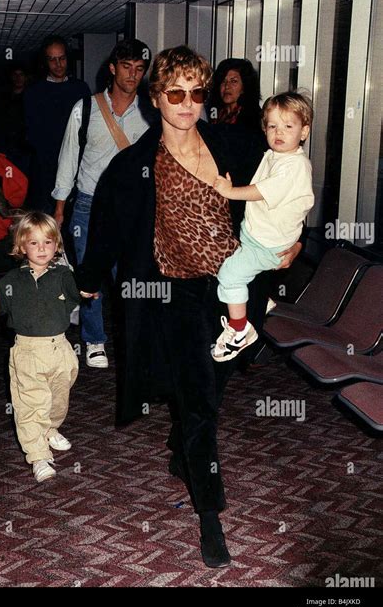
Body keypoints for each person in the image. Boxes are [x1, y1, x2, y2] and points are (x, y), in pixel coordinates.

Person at [75, 45, 279, 568]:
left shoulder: (234, 142)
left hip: (234, 286)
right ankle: (211, 516)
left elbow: (281, 187)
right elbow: (108, 231)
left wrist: (291, 243)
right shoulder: (132, 166)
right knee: (198, 401)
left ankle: (179, 443)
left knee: (219, 380)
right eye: (175, 93)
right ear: (155, 98)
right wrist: (89, 280)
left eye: (196, 93)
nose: (187, 103)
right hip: (174, 294)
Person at [52, 39, 153, 369]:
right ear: (112, 68)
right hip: (89, 204)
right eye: (126, 67)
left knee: (131, 276)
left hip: (132, 208)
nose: (132, 75)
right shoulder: (86, 108)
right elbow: (68, 158)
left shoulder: (151, 111)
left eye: (139, 69)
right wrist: (59, 208)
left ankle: (132, 339)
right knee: (89, 275)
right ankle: (94, 340)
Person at [0, 213, 80, 483]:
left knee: (58, 400)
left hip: (61, 349)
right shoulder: (11, 280)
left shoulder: (63, 275)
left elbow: (74, 299)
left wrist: (86, 292)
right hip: (28, 352)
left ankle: (50, 428)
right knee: (30, 405)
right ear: (21, 247)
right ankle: (38, 455)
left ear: (57, 245)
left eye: (48, 242)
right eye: (34, 243)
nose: (42, 248)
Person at [212, 92, 314, 361]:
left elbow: (262, 191)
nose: (278, 133)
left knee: (230, 275)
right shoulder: (273, 155)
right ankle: (258, 302)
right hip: (258, 236)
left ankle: (239, 329)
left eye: (288, 126)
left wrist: (230, 191)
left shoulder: (294, 165)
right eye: (272, 126)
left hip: (267, 244)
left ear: (304, 132)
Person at [24, 35, 90, 215]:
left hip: (76, 166)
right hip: (45, 168)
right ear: (45, 62)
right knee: (45, 219)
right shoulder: (34, 92)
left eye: (61, 58)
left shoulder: (81, 89)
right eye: (52, 59)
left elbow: (86, 128)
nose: (58, 64)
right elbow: (31, 134)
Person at [207, 57, 262, 133]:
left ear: (244, 87)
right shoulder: (212, 112)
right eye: (223, 81)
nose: (227, 86)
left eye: (233, 81)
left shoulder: (254, 118)